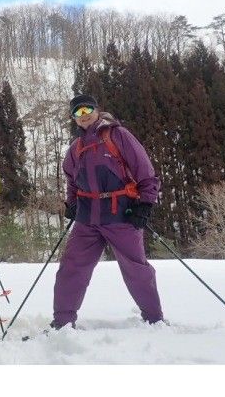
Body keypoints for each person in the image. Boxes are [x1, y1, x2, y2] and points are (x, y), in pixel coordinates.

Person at [52, 94, 163, 329]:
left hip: (121, 214)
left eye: (87, 110)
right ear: (73, 118)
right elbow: (72, 180)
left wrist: (145, 204)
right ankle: (62, 323)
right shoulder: (75, 148)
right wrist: (71, 203)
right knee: (71, 267)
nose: (84, 116)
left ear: (96, 110)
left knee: (136, 268)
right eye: (78, 113)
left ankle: (154, 320)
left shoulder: (118, 135)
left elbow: (144, 170)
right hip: (87, 217)